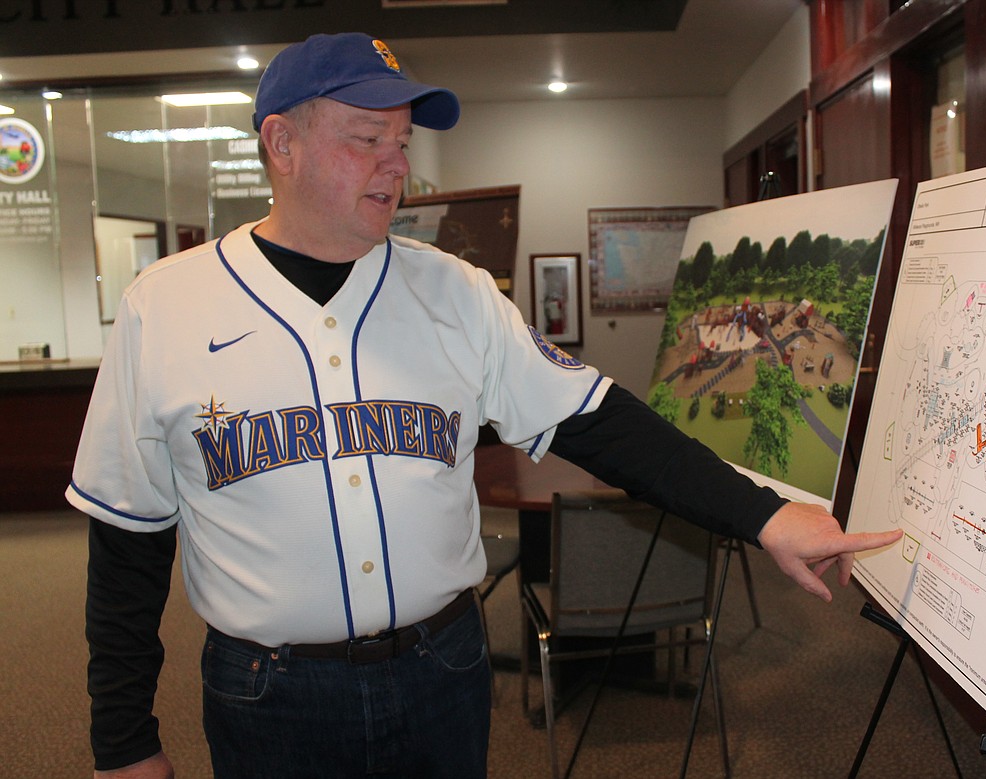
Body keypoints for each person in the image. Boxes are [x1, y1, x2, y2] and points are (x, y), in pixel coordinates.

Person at [68, 32, 902, 779]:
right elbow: (128, 543)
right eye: (367, 142)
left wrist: (763, 514)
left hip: (443, 672)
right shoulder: (163, 306)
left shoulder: (456, 292)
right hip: (272, 695)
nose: (397, 167)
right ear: (281, 143)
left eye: (402, 143)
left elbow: (599, 420)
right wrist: (123, 739)